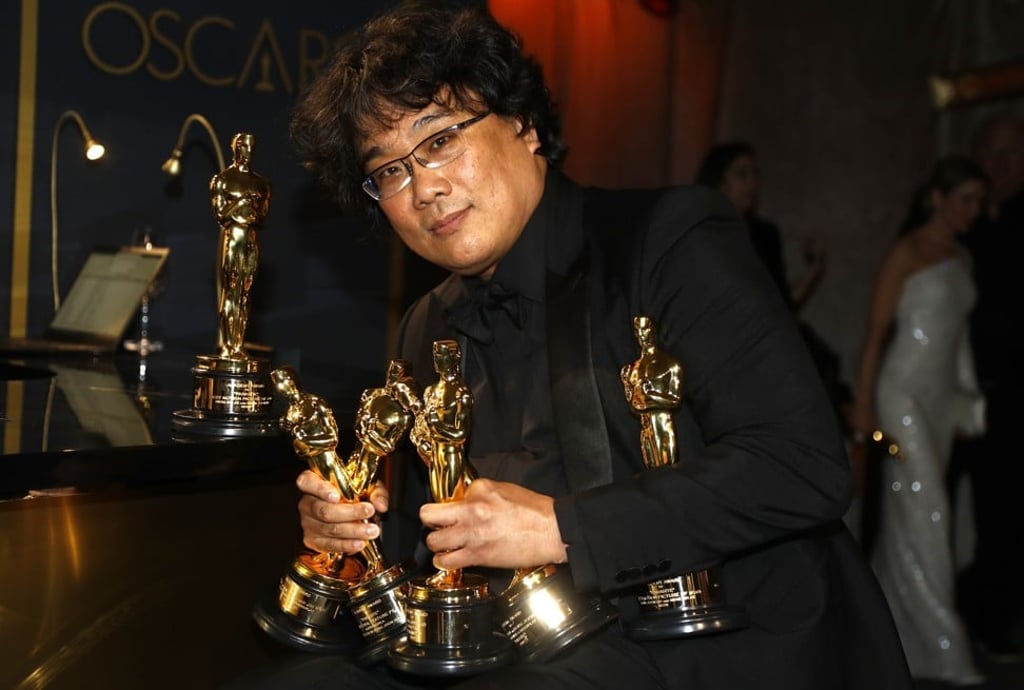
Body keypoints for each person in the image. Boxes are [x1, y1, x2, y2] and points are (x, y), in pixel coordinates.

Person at [264, 3, 911, 688]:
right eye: (389, 171)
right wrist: (348, 533)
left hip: (719, 639)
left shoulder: (668, 241)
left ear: (524, 124)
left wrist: (561, 529)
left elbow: (802, 466)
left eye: (441, 138)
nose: (424, 187)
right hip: (534, 645)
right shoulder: (426, 325)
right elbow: (432, 550)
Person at [849, 155, 989, 686]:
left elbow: (958, 343)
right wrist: (863, 404)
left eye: (979, 200)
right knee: (929, 510)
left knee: (915, 518)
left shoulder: (964, 259)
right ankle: (945, 647)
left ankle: (888, 636)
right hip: (901, 394)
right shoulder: (906, 252)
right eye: (965, 199)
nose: (973, 211)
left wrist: (964, 402)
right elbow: (875, 331)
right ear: (937, 197)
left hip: (938, 399)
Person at [951, 112, 1024, 661]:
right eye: (991, 153)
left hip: (1007, 396)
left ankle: (991, 620)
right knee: (928, 503)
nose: (1001, 165)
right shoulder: (955, 217)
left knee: (1004, 513)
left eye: (1012, 153)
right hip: (939, 390)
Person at [210, 132, 271, 359]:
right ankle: (228, 346)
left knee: (245, 296)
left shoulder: (262, 184)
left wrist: (250, 210)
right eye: (242, 146)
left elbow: (262, 218)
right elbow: (220, 215)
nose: (246, 151)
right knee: (231, 294)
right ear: (235, 148)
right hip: (233, 238)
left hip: (251, 240)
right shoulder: (223, 180)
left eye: (250, 147)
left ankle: (238, 345)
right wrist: (241, 204)